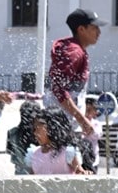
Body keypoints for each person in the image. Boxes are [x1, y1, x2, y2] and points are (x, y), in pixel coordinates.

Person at [43, 8, 106, 136]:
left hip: (61, 126)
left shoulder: (74, 49)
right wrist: (82, 120)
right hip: (61, 129)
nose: (99, 32)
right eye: (94, 28)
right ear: (81, 29)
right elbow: (58, 88)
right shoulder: (74, 52)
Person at [24, 107, 91, 175]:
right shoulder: (34, 154)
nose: (35, 133)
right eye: (34, 129)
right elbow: (30, 180)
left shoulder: (67, 153)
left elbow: (80, 173)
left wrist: (85, 173)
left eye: (38, 128)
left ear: (52, 128)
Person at [6, 100, 41, 175]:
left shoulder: (12, 133)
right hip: (39, 173)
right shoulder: (40, 134)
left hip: (19, 174)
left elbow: (10, 152)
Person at [79, 97, 102, 173]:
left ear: (95, 112)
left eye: (89, 110)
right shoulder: (78, 123)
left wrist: (91, 130)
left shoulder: (96, 124)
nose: (87, 113)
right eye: (85, 110)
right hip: (80, 156)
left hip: (93, 157)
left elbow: (98, 135)